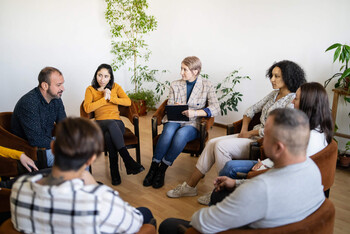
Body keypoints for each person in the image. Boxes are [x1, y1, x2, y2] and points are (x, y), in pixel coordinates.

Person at [159, 108, 325, 234]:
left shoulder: (259, 189)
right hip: (279, 222)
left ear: (278, 147)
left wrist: (204, 215)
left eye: (265, 134)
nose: (260, 140)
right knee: (220, 192)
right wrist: (237, 182)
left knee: (167, 225)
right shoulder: (313, 170)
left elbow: (202, 223)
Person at [166, 60, 306, 204]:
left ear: (288, 78)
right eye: (272, 75)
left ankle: (220, 192)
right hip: (251, 134)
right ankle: (190, 186)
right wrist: (245, 129)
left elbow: (277, 130)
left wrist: (251, 134)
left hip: (262, 141)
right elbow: (250, 110)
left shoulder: (292, 101)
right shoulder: (273, 94)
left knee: (220, 147)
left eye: (277, 76)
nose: (272, 79)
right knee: (212, 143)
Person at [10, 117, 155, 233]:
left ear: (53, 148)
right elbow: (134, 224)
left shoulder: (19, 189)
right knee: (145, 213)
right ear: (92, 157)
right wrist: (94, 187)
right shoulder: (101, 200)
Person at [220, 82, 333, 179]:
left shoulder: (310, 137)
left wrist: (263, 167)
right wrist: (264, 163)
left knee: (229, 167)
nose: (293, 101)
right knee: (226, 161)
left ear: (307, 104)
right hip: (274, 165)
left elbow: (288, 170)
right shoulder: (314, 128)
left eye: (296, 98)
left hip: (279, 174)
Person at [143, 56, 220, 189]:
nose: (181, 72)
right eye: (181, 69)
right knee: (167, 133)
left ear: (195, 71)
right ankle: (153, 167)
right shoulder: (175, 84)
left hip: (193, 122)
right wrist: (178, 106)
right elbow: (170, 104)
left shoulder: (207, 85)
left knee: (180, 136)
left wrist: (195, 112)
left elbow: (216, 108)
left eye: (185, 70)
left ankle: (162, 170)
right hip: (175, 118)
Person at [84, 64, 144, 186]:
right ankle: (127, 160)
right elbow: (87, 108)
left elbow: (127, 101)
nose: (102, 79)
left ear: (110, 78)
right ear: (96, 75)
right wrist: (103, 99)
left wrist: (111, 97)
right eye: (100, 75)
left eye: (106, 76)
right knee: (110, 125)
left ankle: (115, 172)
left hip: (116, 123)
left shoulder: (115, 87)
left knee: (109, 135)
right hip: (100, 123)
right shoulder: (90, 89)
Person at [11, 67, 66, 168]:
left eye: (62, 84)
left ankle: (83, 183)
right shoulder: (29, 103)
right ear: (45, 85)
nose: (63, 88)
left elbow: (64, 124)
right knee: (78, 158)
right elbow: (36, 140)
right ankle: (79, 183)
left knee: (82, 150)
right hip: (32, 151)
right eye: (58, 85)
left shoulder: (56, 98)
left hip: (46, 144)